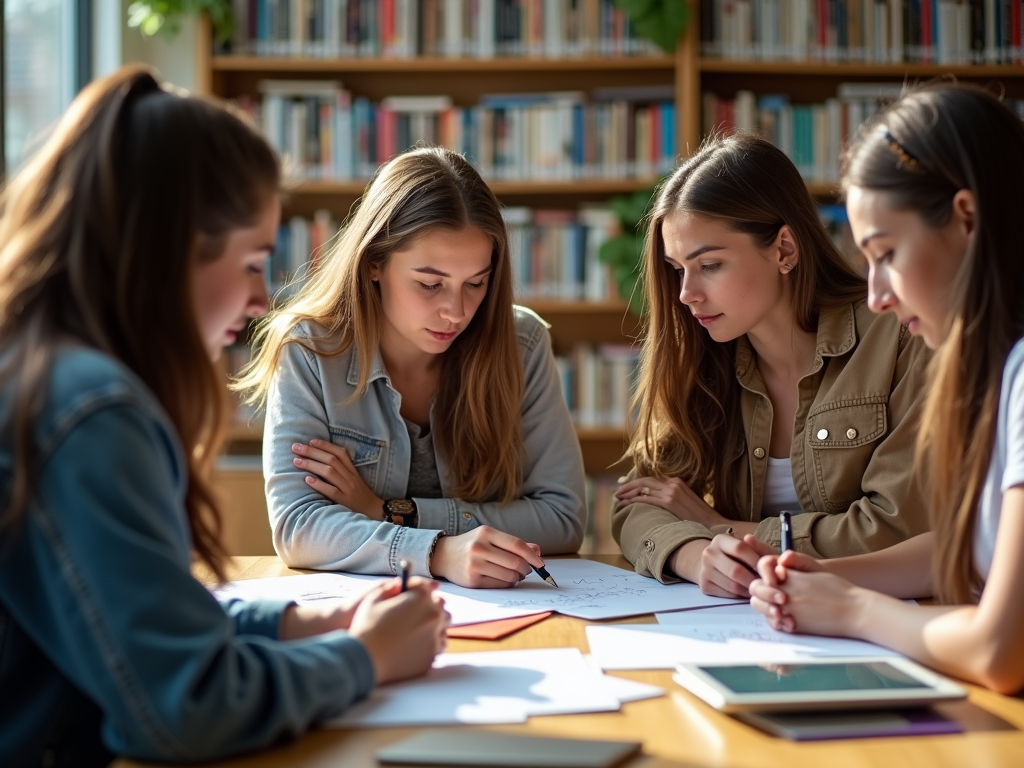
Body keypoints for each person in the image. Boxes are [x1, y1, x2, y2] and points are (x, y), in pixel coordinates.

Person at [0, 67, 449, 767]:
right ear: (168, 250)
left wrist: (306, 622)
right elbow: (188, 704)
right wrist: (364, 658)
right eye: (251, 262)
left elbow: (151, 618)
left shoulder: (42, 374)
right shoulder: (92, 413)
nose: (262, 299)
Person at [750, 84, 1024, 693]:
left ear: (967, 218)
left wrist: (850, 610)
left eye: (888, 253)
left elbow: (1001, 650)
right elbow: (974, 548)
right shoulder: (996, 372)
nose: (875, 295)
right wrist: (826, 577)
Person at [237, 146, 586, 589]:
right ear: (374, 264)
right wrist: (437, 551)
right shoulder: (309, 349)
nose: (456, 312)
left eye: (475, 284)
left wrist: (391, 511)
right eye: (430, 284)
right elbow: (300, 527)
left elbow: (562, 517)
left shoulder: (523, 343)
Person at [611, 134, 932, 598]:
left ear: (784, 249)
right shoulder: (705, 354)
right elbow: (634, 502)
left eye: (711, 265)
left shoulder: (899, 334)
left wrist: (726, 529)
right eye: (678, 269)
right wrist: (694, 554)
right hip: (757, 621)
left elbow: (899, 527)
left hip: (882, 621)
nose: (686, 294)